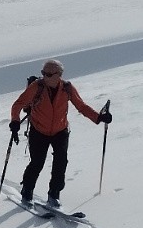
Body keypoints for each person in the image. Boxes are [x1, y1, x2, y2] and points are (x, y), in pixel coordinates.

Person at [8, 59, 112, 208]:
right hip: (39, 131)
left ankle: (54, 194)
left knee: (61, 162)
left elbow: (81, 106)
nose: (45, 76)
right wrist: (15, 121)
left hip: (60, 131)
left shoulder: (67, 88)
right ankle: (27, 191)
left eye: (49, 74)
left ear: (59, 75)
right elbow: (18, 104)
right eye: (43, 73)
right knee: (37, 163)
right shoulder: (36, 86)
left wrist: (99, 117)